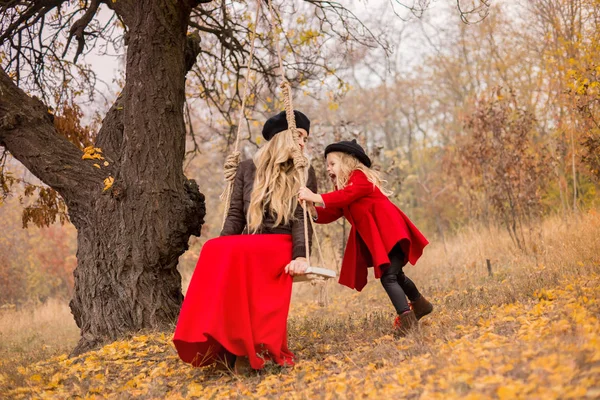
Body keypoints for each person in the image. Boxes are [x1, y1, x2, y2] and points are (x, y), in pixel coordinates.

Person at [173, 110, 317, 372]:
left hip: (281, 244)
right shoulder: (247, 169)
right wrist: (223, 248)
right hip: (252, 243)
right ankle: (220, 342)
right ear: (284, 137)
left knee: (236, 253)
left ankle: (246, 349)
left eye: (306, 138)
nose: (304, 144)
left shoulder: (303, 171)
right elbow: (235, 215)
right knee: (214, 248)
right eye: (300, 136)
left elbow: (301, 219)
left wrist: (301, 255)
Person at [298, 139, 432, 335]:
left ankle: (407, 321)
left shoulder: (360, 177)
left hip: (390, 232)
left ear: (348, 163)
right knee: (396, 275)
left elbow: (344, 197)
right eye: (327, 165)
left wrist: (316, 196)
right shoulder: (344, 191)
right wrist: (313, 210)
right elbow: (334, 211)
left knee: (389, 278)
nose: (328, 169)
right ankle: (420, 305)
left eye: (332, 164)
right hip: (381, 236)